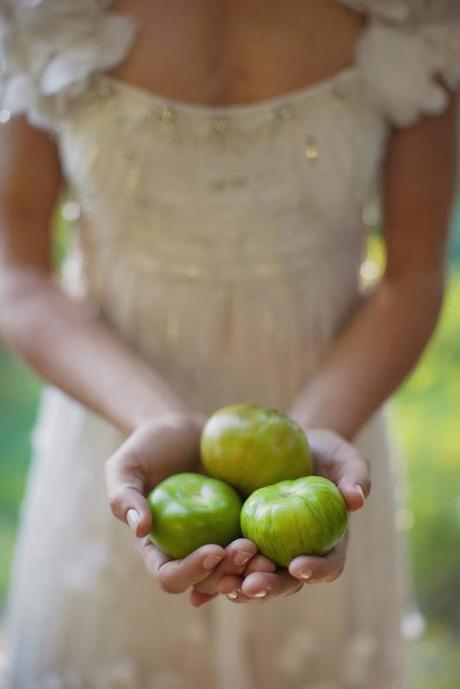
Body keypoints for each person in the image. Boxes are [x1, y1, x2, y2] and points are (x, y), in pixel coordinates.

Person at [0, 0, 458, 687]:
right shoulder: (46, 12)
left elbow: (414, 275)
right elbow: (20, 276)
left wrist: (311, 443)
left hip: (328, 412)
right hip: (115, 419)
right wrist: (155, 421)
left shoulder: (412, 13)